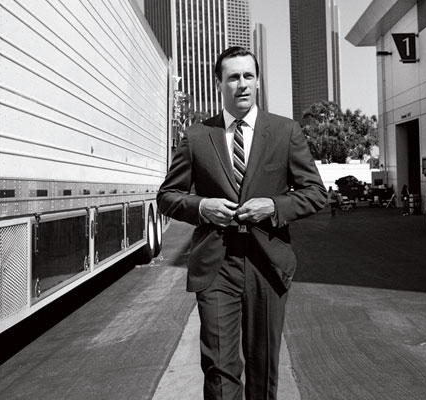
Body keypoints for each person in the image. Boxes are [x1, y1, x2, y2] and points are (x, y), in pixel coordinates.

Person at [157, 46, 326, 400]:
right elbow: (167, 196)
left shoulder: (285, 131)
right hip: (217, 266)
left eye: (249, 76)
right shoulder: (197, 136)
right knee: (219, 368)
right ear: (219, 83)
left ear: (258, 81)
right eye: (233, 77)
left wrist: (273, 205)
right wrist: (202, 206)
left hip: (267, 263)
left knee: (263, 366)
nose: (242, 84)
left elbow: (315, 193)